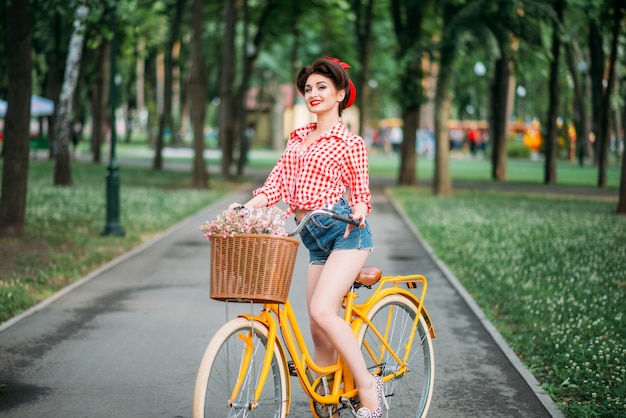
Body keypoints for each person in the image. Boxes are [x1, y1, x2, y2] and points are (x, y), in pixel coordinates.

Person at [230, 56, 383, 417]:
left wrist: (359, 209)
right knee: (317, 328)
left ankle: (369, 390)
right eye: (309, 88)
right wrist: (245, 209)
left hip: (345, 234)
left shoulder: (350, 142)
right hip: (313, 238)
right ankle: (329, 402)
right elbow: (275, 186)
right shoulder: (298, 138)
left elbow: (360, 193)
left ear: (340, 93)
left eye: (322, 87)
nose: (313, 94)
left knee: (321, 310)